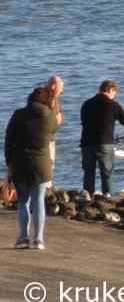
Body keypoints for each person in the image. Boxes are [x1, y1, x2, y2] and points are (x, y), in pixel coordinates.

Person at [5, 87, 59, 249]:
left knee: (23, 201)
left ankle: (23, 238)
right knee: (38, 200)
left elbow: (9, 140)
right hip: (42, 163)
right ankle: (38, 240)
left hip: (21, 161)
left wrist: (10, 162)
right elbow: (53, 132)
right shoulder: (50, 117)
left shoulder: (18, 114)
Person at [80, 80, 124, 197]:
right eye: (114, 92)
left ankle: (87, 198)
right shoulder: (112, 105)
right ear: (110, 89)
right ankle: (108, 198)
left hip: (86, 142)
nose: (114, 95)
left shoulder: (86, 104)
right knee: (107, 174)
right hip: (104, 143)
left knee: (88, 173)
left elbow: (83, 122)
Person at [45, 75, 64, 186]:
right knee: (47, 162)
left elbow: (61, 114)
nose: (61, 90)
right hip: (45, 136)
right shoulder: (44, 97)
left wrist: (59, 118)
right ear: (53, 86)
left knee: (51, 162)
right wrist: (55, 119)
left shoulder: (56, 97)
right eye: (60, 88)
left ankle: (48, 185)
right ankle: (46, 186)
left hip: (52, 135)